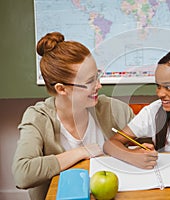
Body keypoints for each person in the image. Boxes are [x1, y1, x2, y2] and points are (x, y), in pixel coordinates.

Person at [11, 32, 135, 200]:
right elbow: (22, 174)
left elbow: (145, 146)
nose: (99, 85)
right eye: (89, 81)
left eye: (97, 76)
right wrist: (82, 152)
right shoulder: (38, 118)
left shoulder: (114, 109)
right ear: (61, 89)